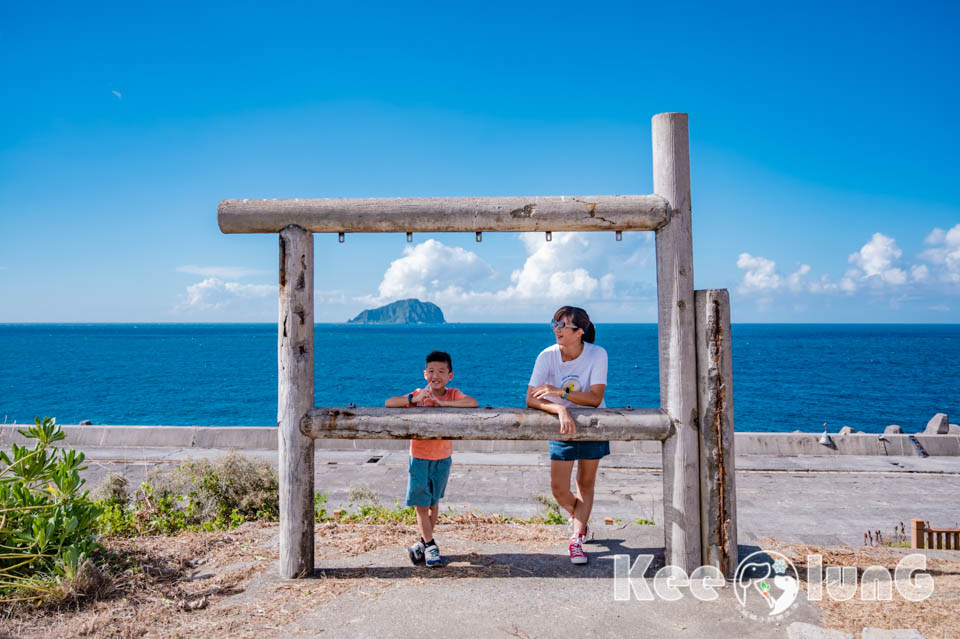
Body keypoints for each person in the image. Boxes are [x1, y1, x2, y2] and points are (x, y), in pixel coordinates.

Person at [526, 306, 608, 565]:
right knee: (559, 489)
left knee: (585, 483)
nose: (557, 329)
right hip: (561, 426)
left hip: (592, 425)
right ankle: (580, 521)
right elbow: (530, 398)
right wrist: (559, 408)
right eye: (555, 323)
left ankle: (576, 539)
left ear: (579, 332)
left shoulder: (597, 354)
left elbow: (595, 398)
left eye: (563, 325)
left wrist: (560, 393)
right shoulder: (547, 356)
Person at [385, 350, 478, 567]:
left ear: (450, 375)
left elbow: (472, 403)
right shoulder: (419, 394)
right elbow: (389, 403)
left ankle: (422, 545)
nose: (436, 376)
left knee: (434, 503)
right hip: (419, 456)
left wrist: (441, 403)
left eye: (441, 371)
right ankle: (431, 545)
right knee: (421, 503)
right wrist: (413, 399)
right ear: (424, 373)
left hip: (443, 456)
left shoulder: (453, 394)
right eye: (431, 371)